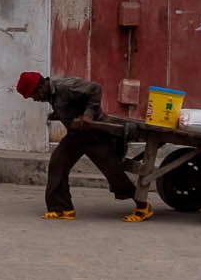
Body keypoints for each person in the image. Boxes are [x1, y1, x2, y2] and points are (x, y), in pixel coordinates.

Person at [14, 71, 152, 222]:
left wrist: (88, 115)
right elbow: (71, 105)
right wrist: (58, 114)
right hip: (76, 135)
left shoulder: (65, 86)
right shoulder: (51, 94)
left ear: (40, 88)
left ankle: (143, 207)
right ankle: (62, 209)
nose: (35, 100)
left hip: (94, 133)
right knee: (57, 164)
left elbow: (95, 89)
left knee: (113, 171)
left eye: (33, 96)